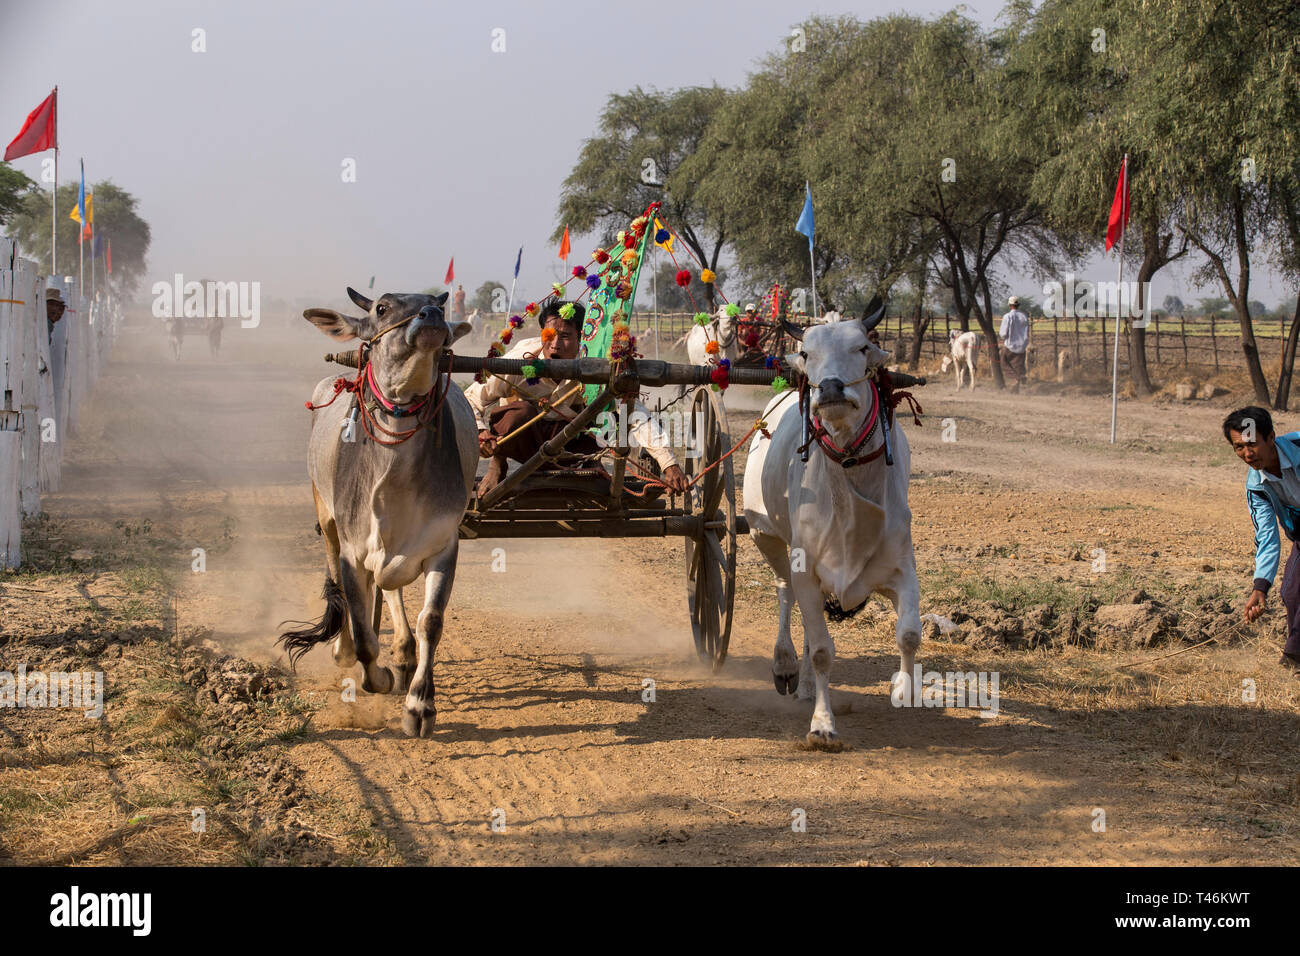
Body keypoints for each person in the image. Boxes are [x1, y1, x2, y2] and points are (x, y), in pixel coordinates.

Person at [464, 300, 688, 497]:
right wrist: (480, 431)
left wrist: (669, 464)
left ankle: (590, 463)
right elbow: (472, 398)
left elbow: (635, 414)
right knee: (519, 413)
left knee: (611, 418)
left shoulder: (597, 367)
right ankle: (498, 464)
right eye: (549, 336)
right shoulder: (519, 360)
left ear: (582, 338)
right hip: (524, 440)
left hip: (572, 444)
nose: (555, 345)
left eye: (565, 336)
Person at [1224, 406, 1300, 676]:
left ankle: (1294, 658)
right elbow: (1267, 536)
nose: (1247, 454)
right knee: (1291, 593)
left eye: (1252, 444)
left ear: (1271, 438)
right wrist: (1260, 586)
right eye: (1238, 447)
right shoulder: (1256, 484)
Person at [999, 295, 1029, 392]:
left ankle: (1016, 378)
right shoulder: (1024, 316)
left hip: (1010, 345)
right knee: (1018, 367)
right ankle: (1016, 388)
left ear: (1010, 305)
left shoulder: (1007, 317)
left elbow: (1003, 333)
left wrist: (1003, 338)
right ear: (1018, 305)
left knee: (1003, 363)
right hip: (1022, 346)